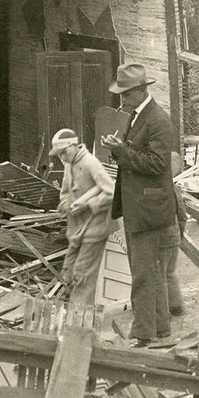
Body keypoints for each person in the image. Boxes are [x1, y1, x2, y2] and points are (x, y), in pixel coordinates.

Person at [101, 63, 178, 347]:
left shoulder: (158, 119)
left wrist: (123, 151)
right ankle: (161, 327)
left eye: (125, 94)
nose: (121, 100)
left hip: (148, 208)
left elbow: (158, 164)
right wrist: (118, 150)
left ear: (140, 90)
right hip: (140, 206)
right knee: (150, 271)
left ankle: (144, 333)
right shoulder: (137, 115)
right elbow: (138, 156)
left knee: (143, 274)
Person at [52, 128, 116, 306]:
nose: (62, 158)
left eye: (64, 152)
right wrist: (65, 204)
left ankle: (80, 326)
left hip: (95, 227)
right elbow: (64, 192)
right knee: (68, 272)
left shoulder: (90, 163)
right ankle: (77, 313)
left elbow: (112, 192)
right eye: (59, 155)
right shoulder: (68, 164)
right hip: (77, 229)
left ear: (74, 145)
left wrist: (87, 204)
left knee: (83, 275)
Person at [164, 152, 188, 317]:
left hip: (166, 237)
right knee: (170, 272)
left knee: (164, 274)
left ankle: (171, 307)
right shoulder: (174, 189)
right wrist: (180, 233)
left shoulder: (166, 188)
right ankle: (176, 305)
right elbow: (182, 215)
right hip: (174, 236)